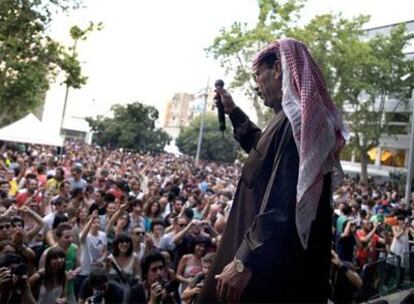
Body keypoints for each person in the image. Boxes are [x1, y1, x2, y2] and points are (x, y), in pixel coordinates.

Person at [199, 38, 346, 303]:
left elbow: (284, 205)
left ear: (277, 69)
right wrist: (232, 111)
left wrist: (244, 261)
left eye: (258, 75)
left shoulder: (298, 123)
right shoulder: (285, 121)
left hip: (268, 271)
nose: (256, 85)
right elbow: (261, 152)